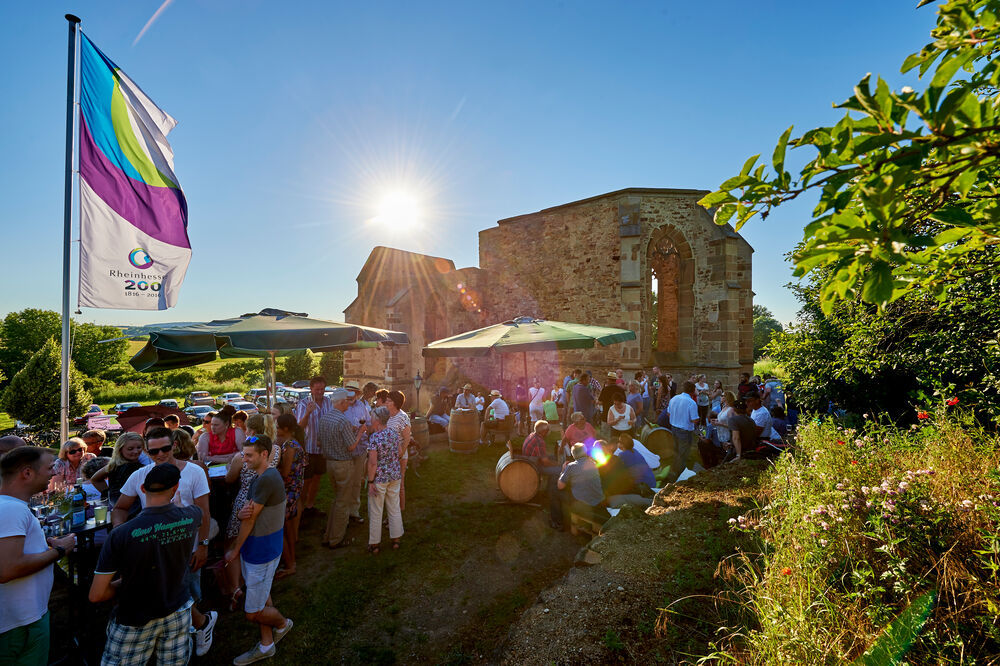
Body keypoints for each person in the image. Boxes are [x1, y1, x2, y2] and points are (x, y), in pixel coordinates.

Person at [112, 428, 216, 657]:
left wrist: (203, 545)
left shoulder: (194, 472)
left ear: (175, 446)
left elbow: (204, 512)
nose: (160, 454)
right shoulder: (140, 476)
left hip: (187, 547)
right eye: (154, 451)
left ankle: (198, 627)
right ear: (147, 452)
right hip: (152, 551)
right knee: (168, 596)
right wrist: (121, 535)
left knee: (190, 592)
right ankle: (193, 629)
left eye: (165, 449)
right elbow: (120, 507)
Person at [89, 463, 202, 666]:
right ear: (176, 488)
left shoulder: (121, 535)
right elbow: (186, 511)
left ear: (142, 489)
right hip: (179, 610)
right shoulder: (192, 516)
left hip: (134, 617)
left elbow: (97, 594)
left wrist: (121, 584)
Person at [0, 447, 77, 666]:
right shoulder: (11, 509)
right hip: (20, 624)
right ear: (27, 473)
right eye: (50, 467)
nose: (54, 473)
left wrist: (44, 546)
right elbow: (7, 569)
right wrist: (60, 550)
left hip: (24, 619)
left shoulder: (11, 507)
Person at [224, 436, 293, 665]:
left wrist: (235, 550)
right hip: (259, 548)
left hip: (261, 552)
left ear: (264, 454)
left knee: (252, 612)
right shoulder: (260, 477)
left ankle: (283, 624)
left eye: (249, 455)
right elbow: (247, 513)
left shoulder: (266, 479)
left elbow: (250, 520)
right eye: (243, 454)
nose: (244, 460)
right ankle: (266, 645)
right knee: (263, 599)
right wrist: (241, 514)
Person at [224, 414, 281, 598]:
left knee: (232, 542)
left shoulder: (242, 456)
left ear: (252, 431)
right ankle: (257, 582)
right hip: (267, 502)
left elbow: (229, 478)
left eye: (247, 429)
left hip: (246, 500)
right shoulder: (276, 449)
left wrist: (229, 466)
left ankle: (236, 587)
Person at [317, 388, 359, 549]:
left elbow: (319, 442)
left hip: (330, 464)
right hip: (343, 464)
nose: (349, 403)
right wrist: (360, 433)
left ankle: (328, 534)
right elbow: (351, 447)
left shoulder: (324, 419)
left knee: (336, 499)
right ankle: (336, 539)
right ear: (342, 402)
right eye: (347, 400)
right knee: (343, 502)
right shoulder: (343, 421)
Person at [365, 406, 403, 553]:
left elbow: (373, 462)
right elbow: (399, 452)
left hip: (380, 478)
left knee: (376, 510)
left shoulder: (375, 437)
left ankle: (374, 544)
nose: (371, 419)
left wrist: (370, 481)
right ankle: (396, 539)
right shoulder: (393, 433)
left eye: (373, 417)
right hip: (394, 475)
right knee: (394, 507)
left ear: (378, 419)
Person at [295, 376, 334, 517]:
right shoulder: (304, 404)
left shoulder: (329, 402)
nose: (320, 392)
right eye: (317, 389)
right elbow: (299, 427)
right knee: (306, 480)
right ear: (311, 389)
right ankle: (301, 508)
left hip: (322, 449)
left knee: (317, 478)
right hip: (309, 449)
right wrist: (307, 413)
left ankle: (310, 506)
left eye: (322, 389)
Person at [275, 414, 305, 579]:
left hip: (289, 491)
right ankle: (291, 560)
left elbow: (286, 473)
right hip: (294, 490)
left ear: (285, 429)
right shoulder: (291, 442)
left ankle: (290, 564)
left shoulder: (290, 445)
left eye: (277, 426)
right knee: (288, 529)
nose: (276, 429)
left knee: (284, 530)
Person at [521, 420, 564, 529]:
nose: (549, 432)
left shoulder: (532, 435)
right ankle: (551, 491)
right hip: (533, 466)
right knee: (558, 470)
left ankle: (548, 488)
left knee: (553, 458)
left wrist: (553, 460)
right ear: (544, 431)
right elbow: (545, 462)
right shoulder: (540, 441)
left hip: (529, 461)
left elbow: (543, 457)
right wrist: (559, 464)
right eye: (548, 430)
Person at [557, 443, 610, 525]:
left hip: (584, 504)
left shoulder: (571, 466)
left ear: (573, 454)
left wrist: (563, 470)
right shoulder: (593, 463)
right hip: (598, 501)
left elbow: (560, 486)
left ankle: (562, 522)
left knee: (557, 492)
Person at [343, 381, 372, 526]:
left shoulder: (362, 406)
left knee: (356, 482)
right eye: (348, 391)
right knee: (345, 482)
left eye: (353, 391)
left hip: (360, 448)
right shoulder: (341, 406)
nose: (350, 394)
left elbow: (368, 423)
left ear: (357, 394)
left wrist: (364, 428)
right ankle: (343, 513)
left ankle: (354, 512)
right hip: (346, 449)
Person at [90, 432, 145, 508]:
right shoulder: (133, 467)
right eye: (130, 449)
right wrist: (107, 493)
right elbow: (95, 479)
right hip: (131, 509)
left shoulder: (114, 464)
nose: (135, 451)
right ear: (120, 450)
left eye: (139, 447)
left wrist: (109, 494)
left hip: (117, 506)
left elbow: (95, 479)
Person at [660, 381, 700, 483]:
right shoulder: (691, 402)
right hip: (684, 431)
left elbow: (668, 414)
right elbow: (695, 420)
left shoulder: (674, 398)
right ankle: (679, 478)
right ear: (692, 390)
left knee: (676, 451)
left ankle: (673, 472)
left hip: (674, 428)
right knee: (683, 454)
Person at [596, 438, 650, 508]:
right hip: (629, 494)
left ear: (602, 448)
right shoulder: (617, 459)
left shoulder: (599, 465)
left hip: (615, 498)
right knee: (646, 503)